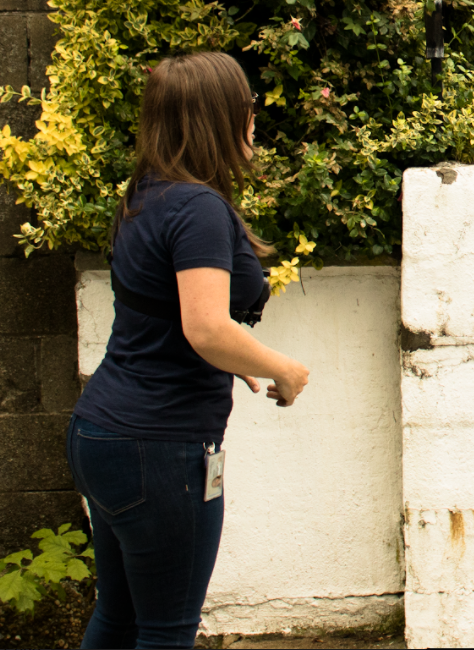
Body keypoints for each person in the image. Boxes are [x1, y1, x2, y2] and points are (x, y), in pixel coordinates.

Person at [66, 52, 311, 649]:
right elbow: (205, 328)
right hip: (160, 448)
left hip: (104, 432)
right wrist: (283, 368)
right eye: (248, 106)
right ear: (219, 116)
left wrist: (235, 361)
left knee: (119, 618)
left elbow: (167, 318)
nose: (255, 118)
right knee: (167, 631)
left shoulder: (147, 194)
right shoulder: (198, 207)